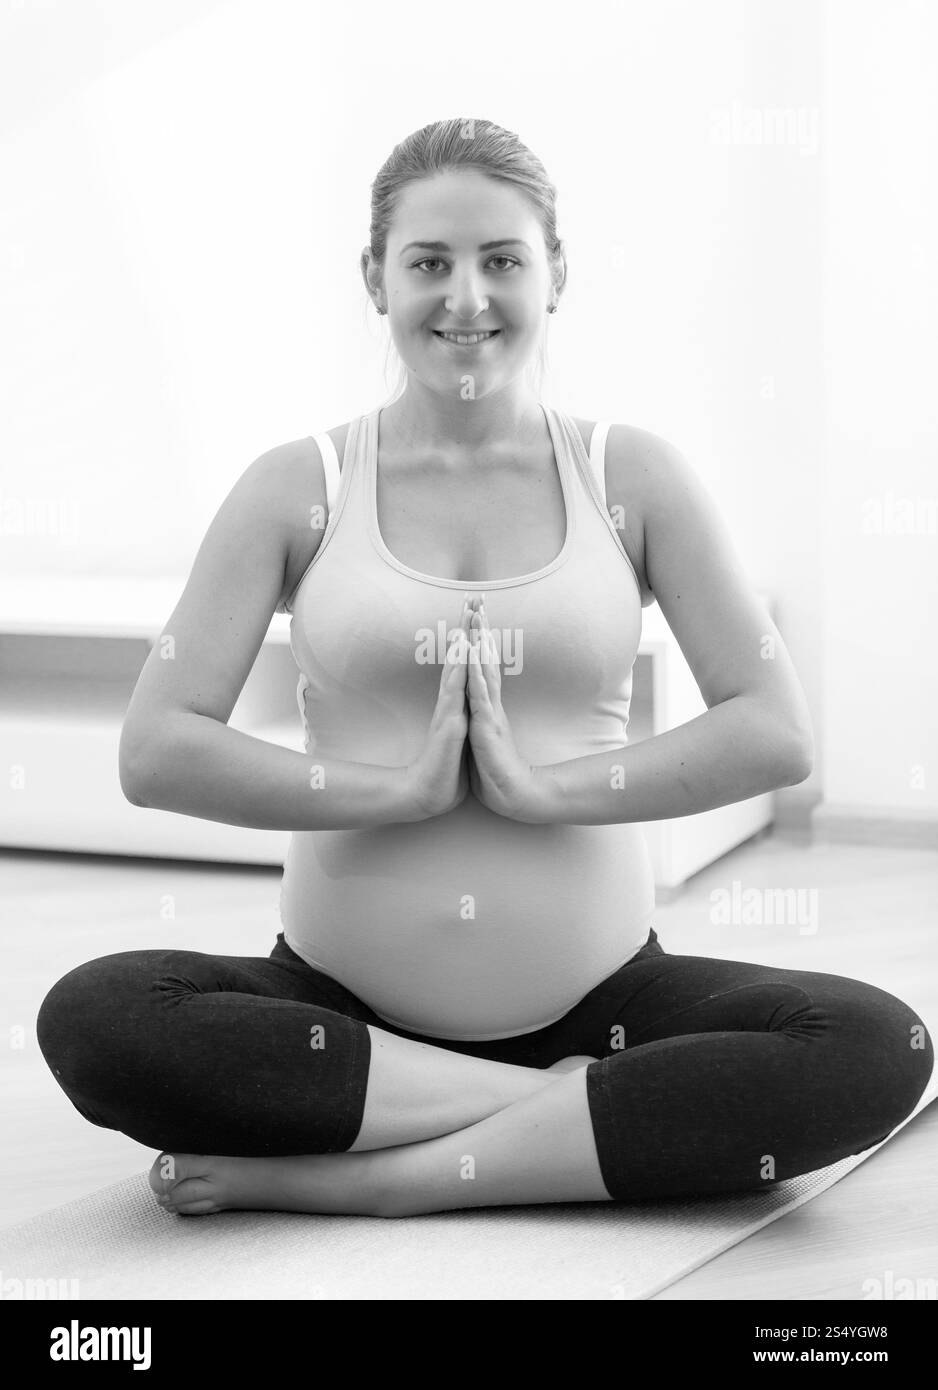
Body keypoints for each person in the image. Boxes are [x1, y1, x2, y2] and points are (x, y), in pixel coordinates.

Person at [37, 118, 932, 1219]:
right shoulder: (295, 485)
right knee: (96, 1017)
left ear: (554, 273)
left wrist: (544, 790)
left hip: (603, 997)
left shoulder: (630, 476)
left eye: (501, 259)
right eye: (428, 263)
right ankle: (555, 1112)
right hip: (340, 1011)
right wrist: (393, 790)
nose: (466, 298)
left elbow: (772, 728)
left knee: (874, 1045)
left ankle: (380, 1182)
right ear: (374, 278)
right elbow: (155, 746)